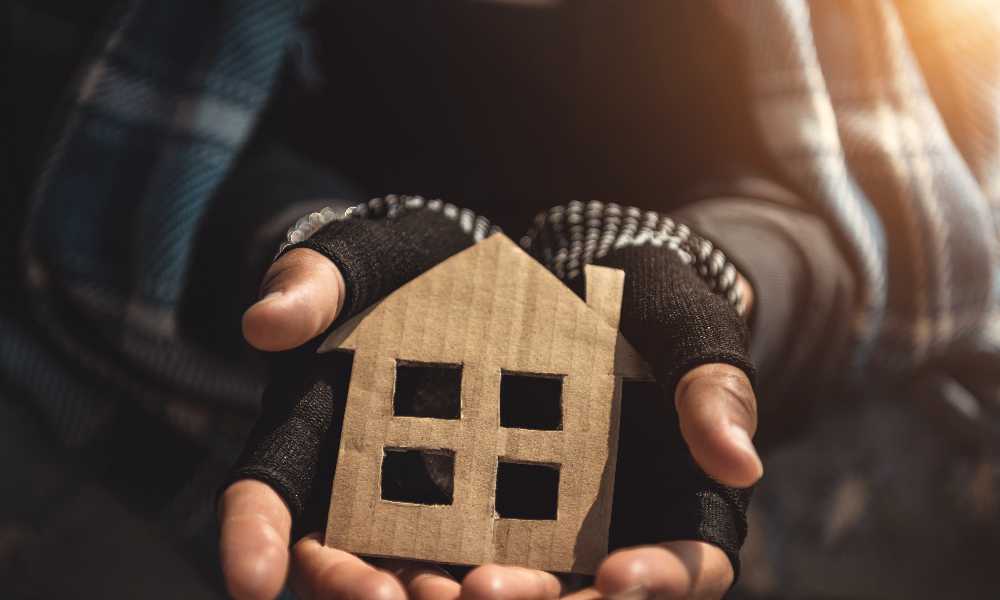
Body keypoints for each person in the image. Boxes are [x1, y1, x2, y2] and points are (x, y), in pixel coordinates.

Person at [4, 1, 999, 599]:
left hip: (773, 437)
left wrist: (713, 279)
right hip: (166, 402)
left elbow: (874, 221)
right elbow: (97, 138)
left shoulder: (911, 32)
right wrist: (302, 240)